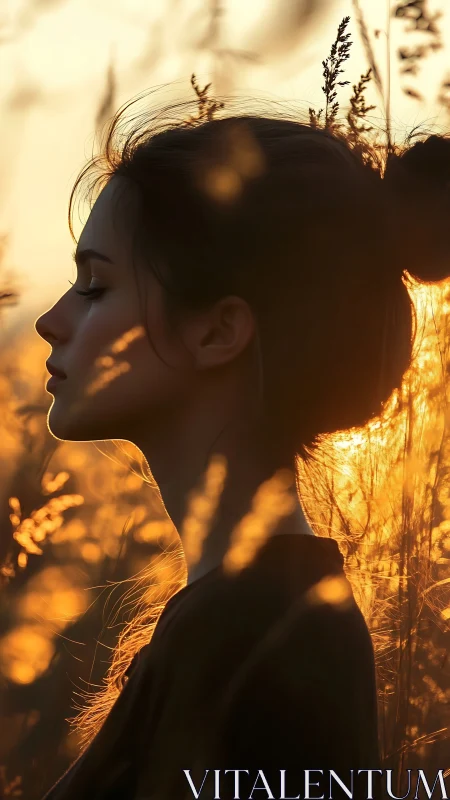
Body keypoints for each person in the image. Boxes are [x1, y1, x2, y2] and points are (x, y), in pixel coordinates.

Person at [34, 90, 450, 799]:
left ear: (219, 331)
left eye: (96, 287)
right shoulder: (250, 613)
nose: (50, 321)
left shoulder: (256, 635)